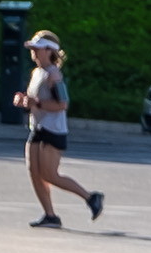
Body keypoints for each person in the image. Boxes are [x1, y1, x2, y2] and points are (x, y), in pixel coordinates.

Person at [23, 32, 103, 230]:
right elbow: (35, 101)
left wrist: (37, 103)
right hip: (38, 127)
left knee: (49, 174)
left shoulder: (54, 75)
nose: (34, 52)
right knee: (34, 172)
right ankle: (50, 216)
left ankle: (91, 197)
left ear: (50, 51)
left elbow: (62, 104)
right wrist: (25, 102)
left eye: (38, 48)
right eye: (33, 48)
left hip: (53, 130)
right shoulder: (37, 73)